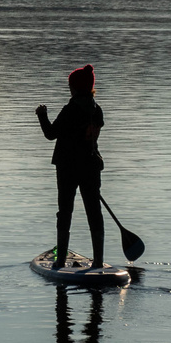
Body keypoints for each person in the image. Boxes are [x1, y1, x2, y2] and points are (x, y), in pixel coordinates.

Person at [36, 64, 105, 268]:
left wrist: (42, 115)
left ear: (75, 88)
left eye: (70, 86)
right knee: (94, 211)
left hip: (68, 167)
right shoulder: (96, 110)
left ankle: (59, 261)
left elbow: (50, 134)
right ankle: (98, 261)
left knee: (65, 211)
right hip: (91, 166)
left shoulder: (70, 110)